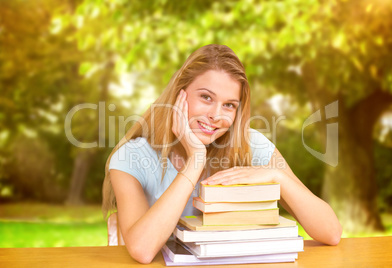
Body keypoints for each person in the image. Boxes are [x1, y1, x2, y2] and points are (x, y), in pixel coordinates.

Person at [102, 44, 342, 264]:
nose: (216, 115)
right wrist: (195, 160)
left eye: (229, 105)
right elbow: (142, 250)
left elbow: (331, 232)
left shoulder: (251, 145)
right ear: (179, 94)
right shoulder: (131, 158)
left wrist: (277, 175)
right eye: (206, 97)